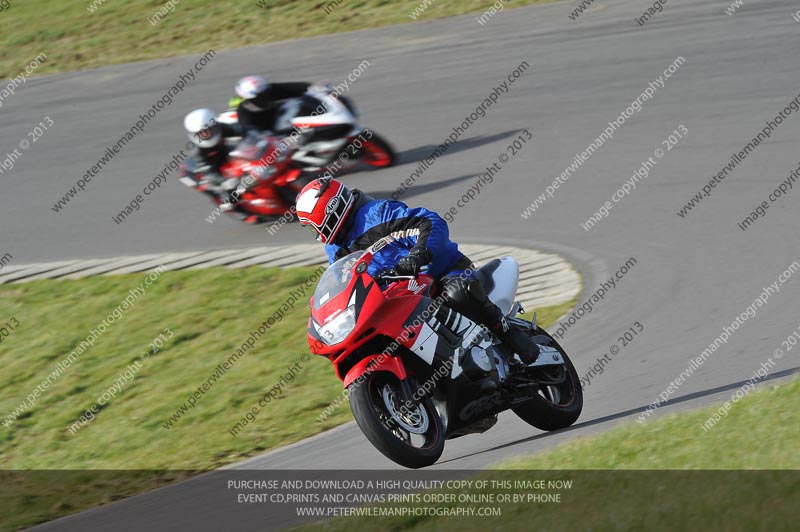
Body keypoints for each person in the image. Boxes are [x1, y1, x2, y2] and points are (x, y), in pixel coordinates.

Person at [295, 178, 541, 364]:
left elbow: (430, 222)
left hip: (439, 272)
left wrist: (418, 255)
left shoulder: (377, 214)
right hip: (397, 295)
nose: (316, 235)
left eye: (314, 227)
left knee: (458, 292)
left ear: (330, 214)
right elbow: (345, 279)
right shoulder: (334, 248)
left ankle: (509, 335)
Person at [181, 108, 249, 214]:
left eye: (209, 129)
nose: (207, 134)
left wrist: (258, 133)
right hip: (211, 168)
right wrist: (225, 181)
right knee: (227, 196)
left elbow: (241, 130)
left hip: (225, 152)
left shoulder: (221, 128)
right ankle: (240, 212)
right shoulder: (198, 151)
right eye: (202, 133)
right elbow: (210, 173)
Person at [234, 75, 312, 133]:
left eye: (265, 92)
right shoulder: (244, 111)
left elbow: (301, 87)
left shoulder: (268, 90)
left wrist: (316, 89)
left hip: (287, 119)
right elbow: (250, 134)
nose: (265, 95)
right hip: (276, 136)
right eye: (261, 95)